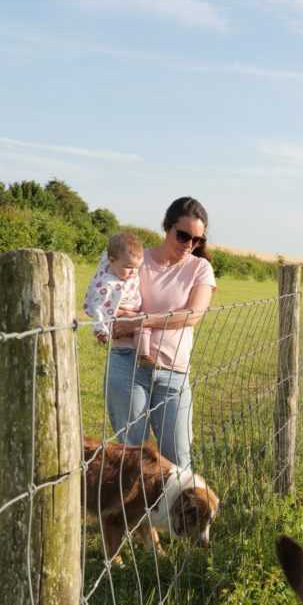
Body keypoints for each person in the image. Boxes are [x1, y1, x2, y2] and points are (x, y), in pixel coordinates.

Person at [105, 197, 215, 471]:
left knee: (179, 459)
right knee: (134, 459)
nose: (189, 244)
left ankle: (177, 502)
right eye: (183, 235)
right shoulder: (135, 260)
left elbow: (193, 315)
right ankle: (137, 502)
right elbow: (104, 295)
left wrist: (139, 322)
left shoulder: (200, 268)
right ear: (167, 227)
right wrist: (109, 321)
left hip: (173, 373)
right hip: (128, 364)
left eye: (197, 240)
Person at [83, 232, 152, 362]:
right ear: (111, 261)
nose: (133, 272)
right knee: (141, 324)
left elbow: (112, 252)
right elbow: (98, 307)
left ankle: (140, 354)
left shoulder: (117, 265)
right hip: (116, 312)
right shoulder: (107, 283)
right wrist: (100, 327)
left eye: (137, 268)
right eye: (128, 267)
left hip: (127, 309)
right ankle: (143, 354)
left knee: (141, 324)